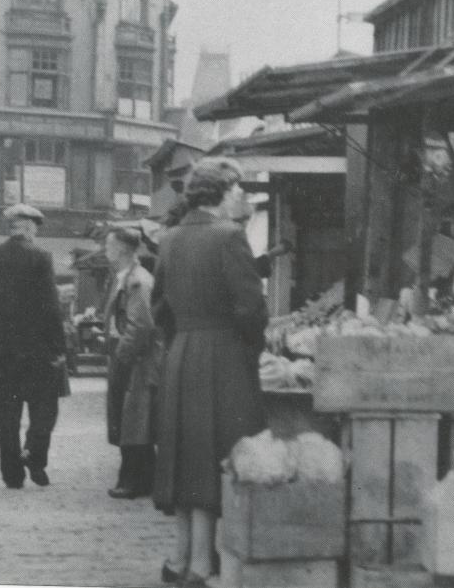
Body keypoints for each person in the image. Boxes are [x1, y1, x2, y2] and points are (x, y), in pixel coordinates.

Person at [151, 158, 268, 587]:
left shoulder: (170, 238)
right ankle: (202, 564)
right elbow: (250, 308)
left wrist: (180, 339)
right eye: (237, 188)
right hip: (223, 354)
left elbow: (159, 308)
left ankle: (180, 556)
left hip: (181, 353)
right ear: (220, 190)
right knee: (215, 452)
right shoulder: (230, 237)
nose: (241, 196)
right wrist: (251, 347)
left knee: (183, 453)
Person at [0, 203, 65, 489]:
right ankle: (34, 457)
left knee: (7, 413)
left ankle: (12, 474)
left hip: (2, 352)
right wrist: (58, 347)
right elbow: (51, 307)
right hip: (38, 350)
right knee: (44, 408)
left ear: (11, 228)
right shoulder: (41, 258)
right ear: (31, 228)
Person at [103, 227, 160, 500]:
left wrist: (122, 356)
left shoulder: (137, 281)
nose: (106, 250)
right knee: (132, 420)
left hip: (136, 360)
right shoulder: (128, 278)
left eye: (109, 245)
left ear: (123, 249)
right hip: (131, 357)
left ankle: (133, 480)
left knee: (134, 421)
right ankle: (141, 478)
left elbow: (140, 325)